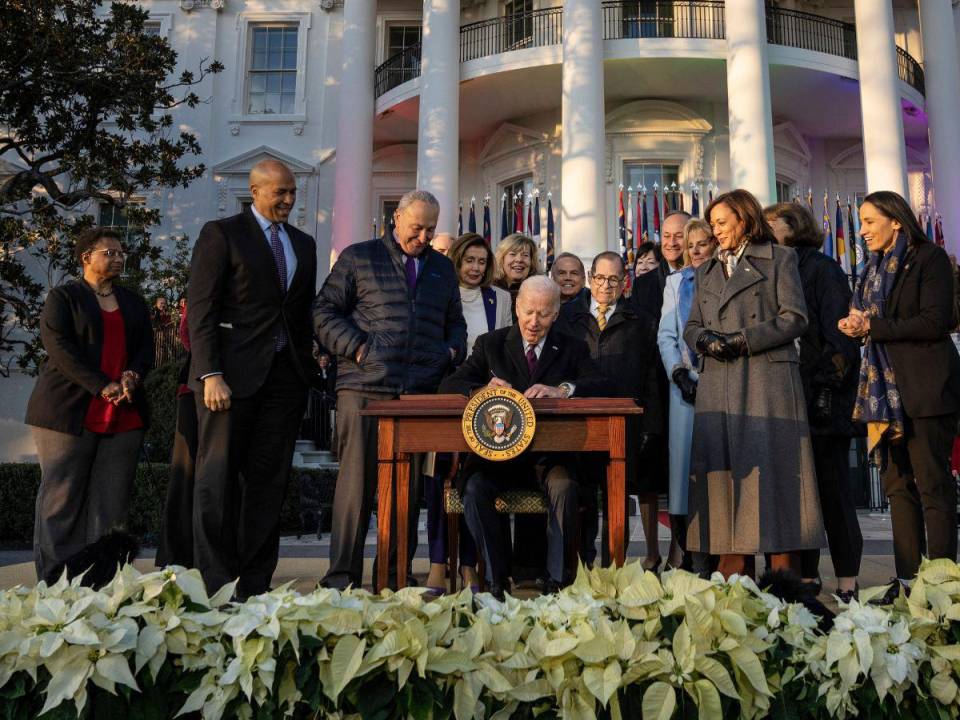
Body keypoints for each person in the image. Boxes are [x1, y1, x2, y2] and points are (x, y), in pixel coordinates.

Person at [313, 189, 467, 591]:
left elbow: (456, 324)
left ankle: (395, 575)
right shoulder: (358, 257)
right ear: (396, 217)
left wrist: (449, 351)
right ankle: (340, 578)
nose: (424, 236)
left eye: (431, 229)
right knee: (355, 488)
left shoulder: (442, 269)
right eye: (417, 227)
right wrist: (360, 349)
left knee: (406, 489)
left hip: (416, 395)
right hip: (363, 390)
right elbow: (323, 311)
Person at [187, 158, 318, 598]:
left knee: (269, 483)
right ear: (255, 189)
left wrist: (310, 367)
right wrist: (210, 372)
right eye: (279, 192)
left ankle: (256, 585)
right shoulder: (221, 234)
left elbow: (298, 315)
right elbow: (201, 309)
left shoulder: (304, 243)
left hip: (285, 383)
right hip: (228, 381)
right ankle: (215, 583)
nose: (287, 200)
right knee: (217, 480)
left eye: (292, 192)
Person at [683, 189, 825, 579]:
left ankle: (785, 579)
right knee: (727, 477)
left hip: (767, 382)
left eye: (722, 223)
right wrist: (704, 341)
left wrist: (744, 339)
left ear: (744, 220)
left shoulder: (780, 258)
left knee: (775, 476)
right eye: (712, 224)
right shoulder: (706, 269)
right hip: (720, 383)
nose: (715, 231)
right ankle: (734, 577)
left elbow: (795, 317)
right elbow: (691, 325)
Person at [438, 276, 606, 599]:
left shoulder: (572, 347)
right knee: (472, 488)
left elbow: (601, 384)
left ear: (556, 313)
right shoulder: (491, 344)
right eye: (528, 312)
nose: (533, 321)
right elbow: (450, 385)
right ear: (517, 308)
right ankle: (496, 584)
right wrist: (479, 390)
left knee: (566, 487)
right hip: (496, 457)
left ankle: (557, 582)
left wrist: (563, 390)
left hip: (547, 460)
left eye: (543, 314)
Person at [838, 190, 960, 597]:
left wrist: (873, 326)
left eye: (870, 221)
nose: (862, 230)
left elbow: (934, 321)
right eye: (860, 221)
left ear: (895, 220)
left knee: (933, 488)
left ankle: (942, 585)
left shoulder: (930, 259)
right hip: (883, 397)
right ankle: (909, 583)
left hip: (925, 392)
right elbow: (875, 321)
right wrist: (856, 325)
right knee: (898, 490)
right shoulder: (870, 268)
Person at [27, 227, 153, 583]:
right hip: (67, 412)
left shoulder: (133, 301)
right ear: (87, 258)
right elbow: (61, 351)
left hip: (123, 414)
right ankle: (54, 582)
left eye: (120, 253)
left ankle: (102, 582)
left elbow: (146, 349)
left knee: (111, 506)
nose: (118, 258)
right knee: (61, 501)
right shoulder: (63, 298)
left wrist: (132, 375)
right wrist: (102, 386)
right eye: (109, 252)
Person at [764, 202, 862, 601]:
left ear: (794, 227)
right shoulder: (772, 268)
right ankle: (805, 576)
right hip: (787, 397)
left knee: (833, 490)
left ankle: (848, 580)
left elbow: (840, 336)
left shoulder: (823, 270)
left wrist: (824, 387)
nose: (763, 230)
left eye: (770, 224)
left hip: (823, 399)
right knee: (797, 493)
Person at [555, 252, 662, 569]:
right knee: (583, 497)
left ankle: (613, 567)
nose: (606, 286)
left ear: (624, 281)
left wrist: (651, 427)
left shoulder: (640, 320)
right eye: (600, 278)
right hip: (578, 423)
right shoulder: (567, 317)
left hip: (624, 424)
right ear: (590, 278)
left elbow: (652, 378)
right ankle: (582, 566)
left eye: (614, 279)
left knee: (618, 498)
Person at [422, 232, 512, 594]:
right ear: (456, 261)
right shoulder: (439, 294)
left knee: (474, 482)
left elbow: (504, 352)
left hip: (486, 403)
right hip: (446, 396)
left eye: (481, 261)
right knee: (438, 480)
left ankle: (470, 567)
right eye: (468, 260)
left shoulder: (501, 298)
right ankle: (436, 563)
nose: (475, 267)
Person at [657, 218, 716, 573]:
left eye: (702, 243)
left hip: (721, 385)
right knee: (681, 477)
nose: (694, 250)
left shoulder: (726, 279)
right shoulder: (675, 283)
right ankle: (688, 555)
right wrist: (678, 372)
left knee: (716, 472)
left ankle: (715, 555)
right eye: (690, 244)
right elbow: (667, 335)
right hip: (684, 387)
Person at [156, 300, 197, 568]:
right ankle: (177, 556)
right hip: (196, 393)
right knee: (186, 474)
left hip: (239, 392)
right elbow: (188, 332)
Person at [493, 233, 541, 319]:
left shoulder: (540, 293)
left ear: (532, 261)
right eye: (513, 254)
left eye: (525, 255)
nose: (519, 260)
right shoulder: (489, 289)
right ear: (502, 258)